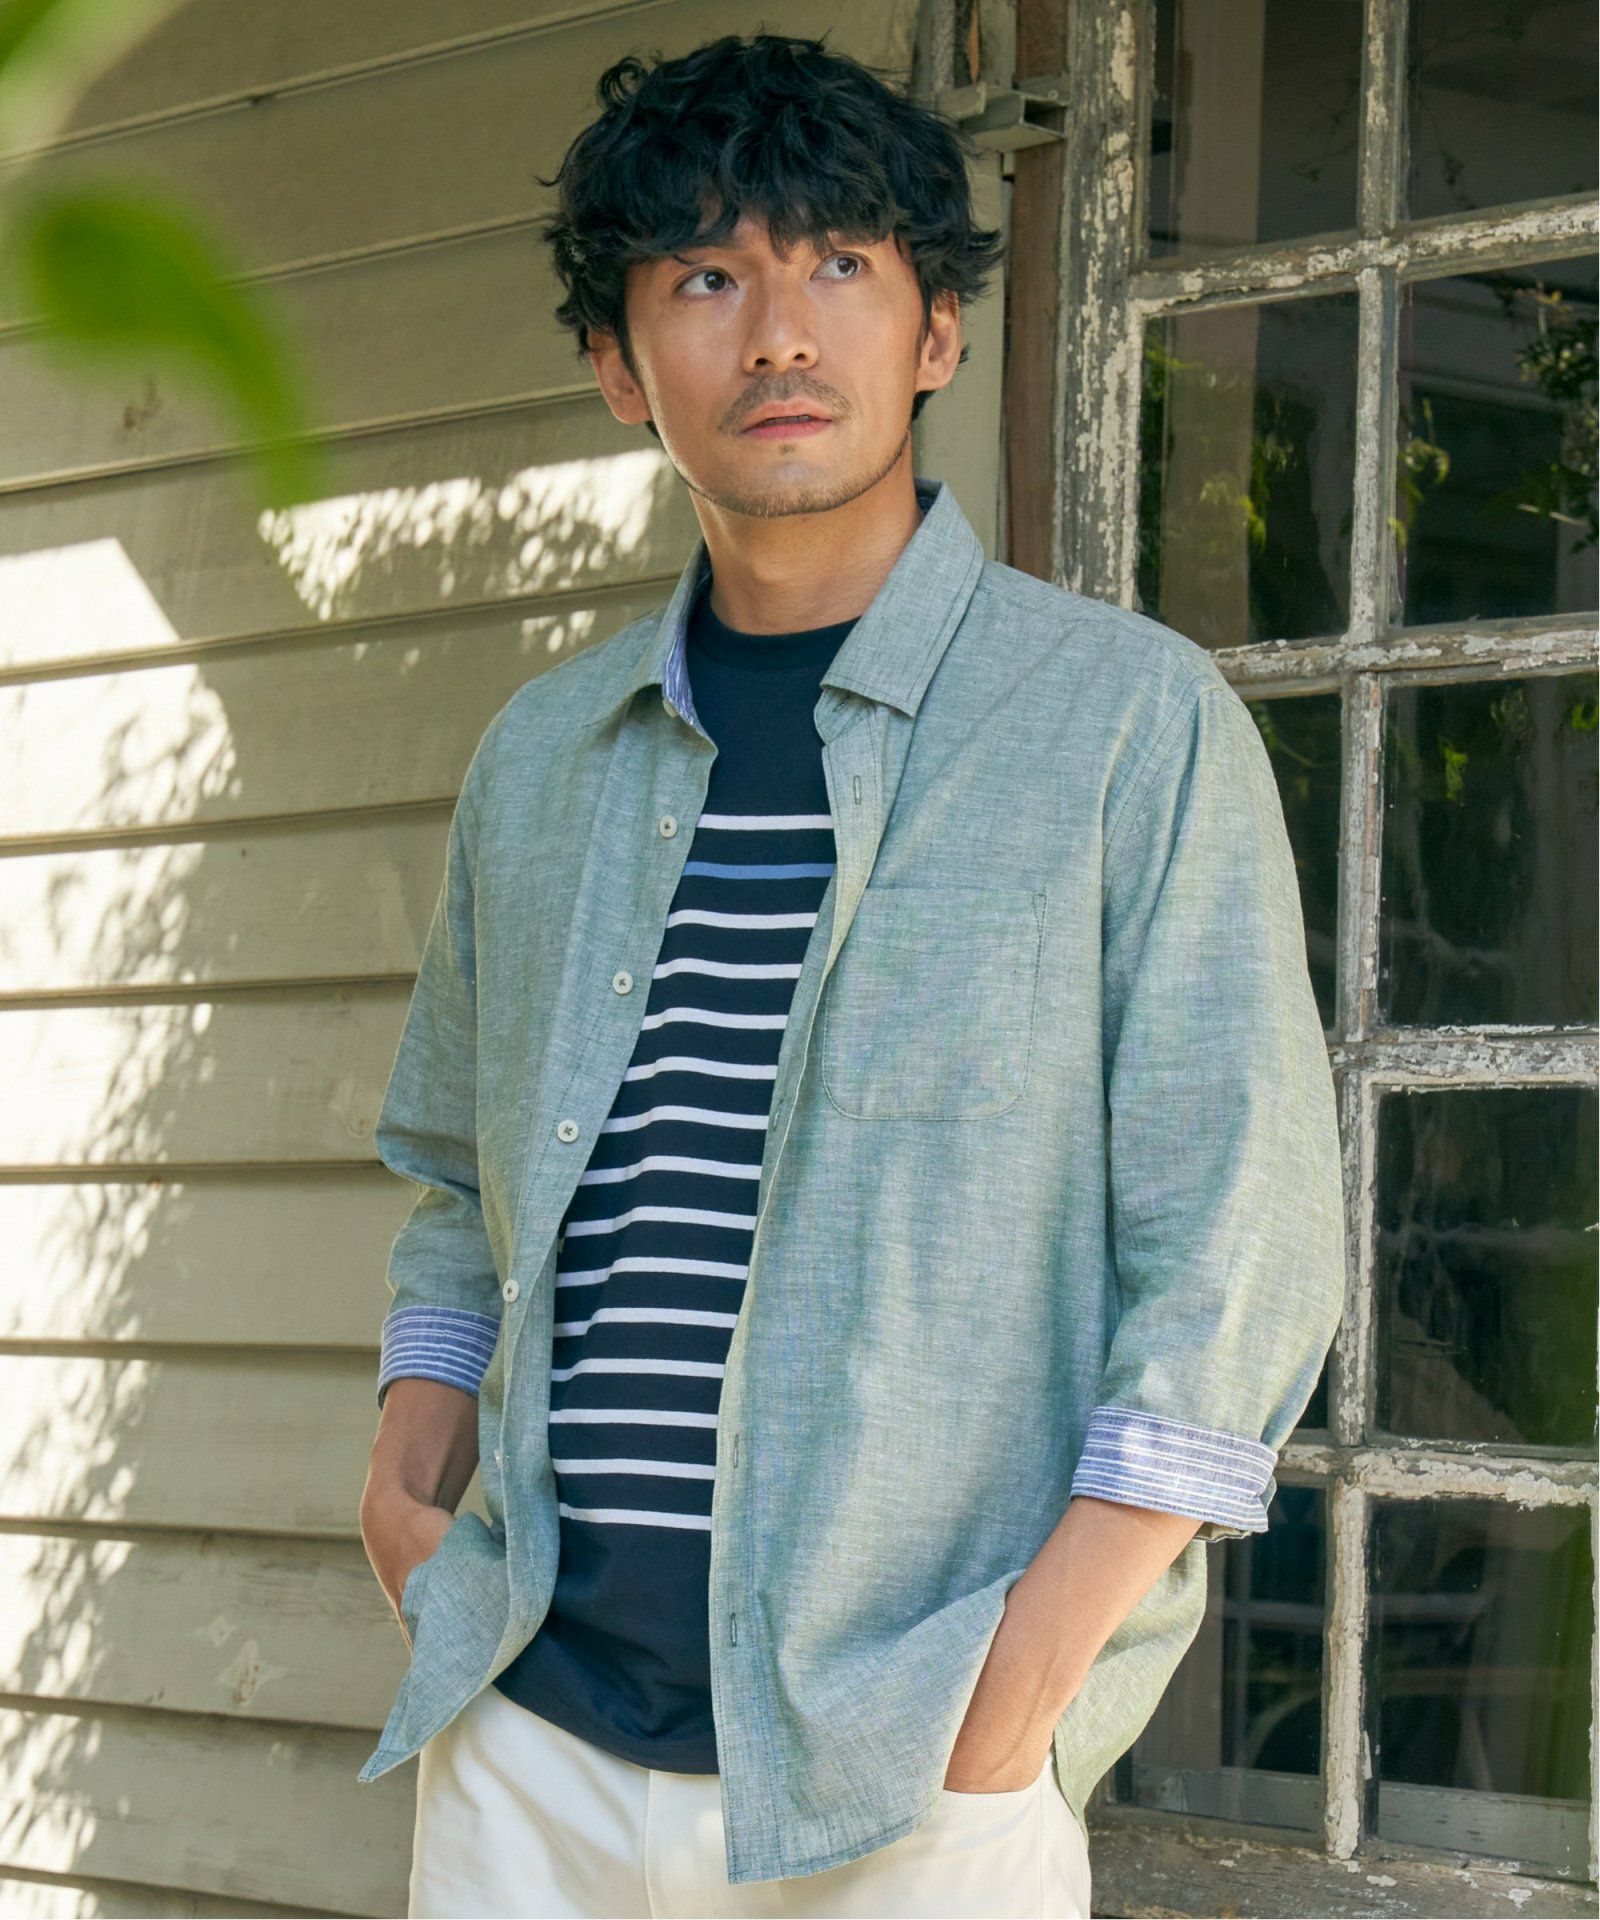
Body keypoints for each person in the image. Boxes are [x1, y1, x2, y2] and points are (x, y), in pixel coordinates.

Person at [355, 30, 1346, 1920]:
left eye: (839, 264)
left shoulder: (1124, 725)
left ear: (937, 331)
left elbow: (1246, 1241)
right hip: (526, 1748)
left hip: (911, 1771)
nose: (781, 336)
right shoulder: (542, 759)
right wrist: (411, 1494)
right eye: (705, 280)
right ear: (620, 366)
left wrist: (1019, 1695)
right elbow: (450, 1181)